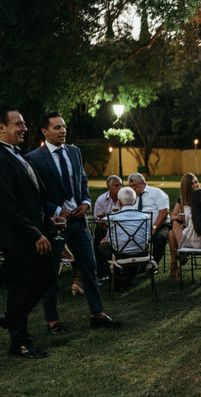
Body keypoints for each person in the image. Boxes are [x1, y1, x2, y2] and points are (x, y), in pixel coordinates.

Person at [26, 112, 118, 331]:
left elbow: (83, 181)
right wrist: (58, 210)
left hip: (78, 222)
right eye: (57, 127)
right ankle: (52, 320)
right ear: (44, 131)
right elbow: (35, 194)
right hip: (54, 224)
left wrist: (86, 202)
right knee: (51, 272)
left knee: (90, 266)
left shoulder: (75, 152)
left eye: (64, 126)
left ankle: (97, 313)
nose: (63, 131)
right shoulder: (34, 158)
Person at [0, 106, 56, 357]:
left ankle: (16, 331)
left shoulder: (16, 154)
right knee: (34, 282)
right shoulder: (1, 158)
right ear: (1, 127)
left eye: (23, 123)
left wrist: (50, 222)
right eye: (18, 124)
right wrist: (35, 233)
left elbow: (31, 198)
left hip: (33, 231)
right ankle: (18, 336)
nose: (24, 128)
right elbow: (8, 206)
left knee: (27, 285)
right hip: (18, 238)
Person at [128, 172, 170, 264]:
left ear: (142, 183)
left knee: (160, 238)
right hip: (139, 228)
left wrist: (154, 227)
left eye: (135, 185)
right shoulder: (132, 196)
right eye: (130, 186)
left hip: (160, 225)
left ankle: (153, 263)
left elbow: (164, 212)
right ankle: (136, 263)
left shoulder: (156, 192)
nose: (133, 188)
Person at [168, 173, 200, 279]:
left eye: (196, 182)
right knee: (175, 224)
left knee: (172, 235)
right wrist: (179, 217)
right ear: (186, 186)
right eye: (192, 184)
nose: (195, 185)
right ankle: (182, 252)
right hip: (185, 232)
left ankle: (174, 263)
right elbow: (171, 217)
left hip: (198, 230)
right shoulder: (182, 199)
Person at [94, 175, 122, 278]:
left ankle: (122, 266)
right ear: (109, 187)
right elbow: (98, 220)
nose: (119, 188)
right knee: (98, 237)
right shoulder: (101, 200)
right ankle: (102, 271)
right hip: (104, 228)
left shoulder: (125, 198)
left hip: (121, 229)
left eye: (120, 185)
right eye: (116, 186)